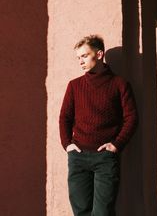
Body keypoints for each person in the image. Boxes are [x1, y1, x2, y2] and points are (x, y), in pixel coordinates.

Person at [59, 34, 138, 216]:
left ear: (99, 54)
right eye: (78, 58)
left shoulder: (119, 84)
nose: (80, 61)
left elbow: (132, 118)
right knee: (81, 212)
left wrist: (116, 144)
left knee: (103, 212)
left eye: (84, 56)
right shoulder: (74, 86)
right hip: (78, 158)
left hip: (105, 159)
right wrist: (67, 144)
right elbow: (65, 118)